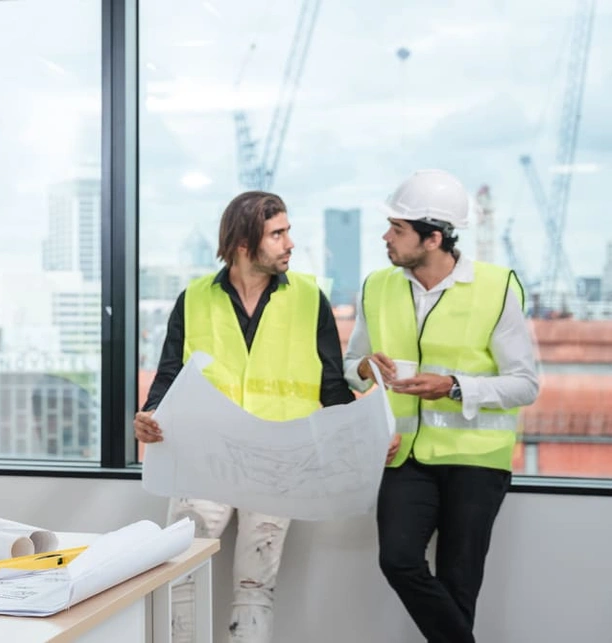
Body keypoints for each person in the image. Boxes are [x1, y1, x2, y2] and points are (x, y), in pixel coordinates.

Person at [135, 191, 355, 643]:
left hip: (276, 464)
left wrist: (362, 433)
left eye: (287, 231)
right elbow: (170, 375)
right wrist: (152, 414)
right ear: (242, 244)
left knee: (256, 589)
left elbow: (332, 385)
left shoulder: (310, 299)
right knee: (180, 577)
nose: (289, 243)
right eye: (278, 234)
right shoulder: (194, 298)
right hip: (204, 460)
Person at [344, 169, 539, 643]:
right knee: (398, 559)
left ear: (433, 238)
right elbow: (351, 366)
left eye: (397, 228)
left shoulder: (497, 289)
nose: (386, 237)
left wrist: (454, 386)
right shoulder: (376, 287)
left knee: (459, 581)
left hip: (475, 461)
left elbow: (525, 384)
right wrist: (368, 368)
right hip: (405, 458)